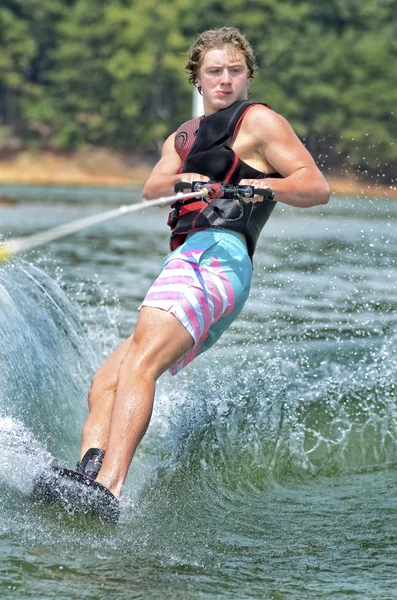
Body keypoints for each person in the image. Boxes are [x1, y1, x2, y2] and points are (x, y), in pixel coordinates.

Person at [76, 27, 330, 511]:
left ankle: (107, 489)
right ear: (197, 78)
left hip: (220, 256)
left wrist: (260, 188)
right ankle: (85, 471)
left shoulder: (259, 121)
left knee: (141, 364)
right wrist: (183, 178)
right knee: (106, 381)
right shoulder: (184, 136)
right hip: (189, 257)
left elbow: (316, 187)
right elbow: (153, 188)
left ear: (248, 77)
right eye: (214, 71)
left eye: (236, 71)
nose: (225, 80)